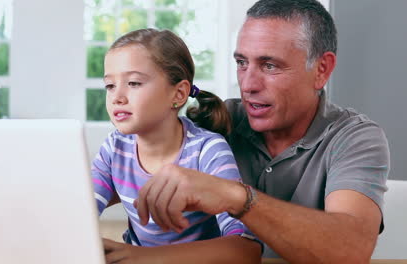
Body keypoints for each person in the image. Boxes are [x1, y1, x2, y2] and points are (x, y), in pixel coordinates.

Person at [135, 0, 390, 263]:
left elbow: (351, 251)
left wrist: (235, 196)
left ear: (321, 69)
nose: (247, 84)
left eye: (270, 65)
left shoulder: (355, 138)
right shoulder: (215, 122)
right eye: (242, 63)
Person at [92, 28, 261, 264]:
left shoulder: (208, 150)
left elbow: (245, 250)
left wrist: (142, 257)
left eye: (133, 82)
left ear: (179, 93)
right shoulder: (114, 148)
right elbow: (80, 212)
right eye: (110, 85)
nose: (117, 96)